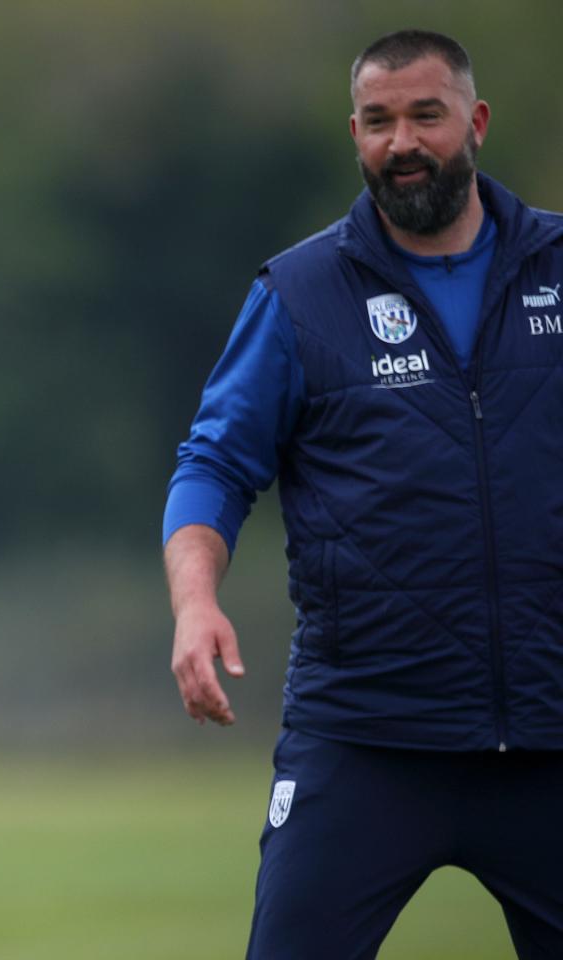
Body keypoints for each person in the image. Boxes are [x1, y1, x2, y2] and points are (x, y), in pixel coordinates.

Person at [163, 29, 563, 959]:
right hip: (368, 733)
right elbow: (214, 465)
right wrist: (194, 605)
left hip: (551, 730)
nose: (403, 142)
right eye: (379, 122)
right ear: (356, 134)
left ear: (477, 121)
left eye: (427, 115)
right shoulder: (302, 293)